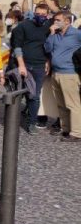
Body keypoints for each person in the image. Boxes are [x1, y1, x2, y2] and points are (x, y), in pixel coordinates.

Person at [11, 3, 51, 134]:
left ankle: (32, 122)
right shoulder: (24, 25)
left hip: (39, 66)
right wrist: (21, 64)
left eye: (43, 14)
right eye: (38, 14)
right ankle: (12, 119)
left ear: (47, 15)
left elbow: (50, 47)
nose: (40, 16)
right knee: (18, 94)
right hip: (24, 64)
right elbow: (17, 46)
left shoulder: (49, 26)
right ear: (34, 13)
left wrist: (48, 61)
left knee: (34, 95)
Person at [44, 11, 81, 142]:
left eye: (58, 20)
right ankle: (66, 129)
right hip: (56, 73)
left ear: (67, 21)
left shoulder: (77, 34)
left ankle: (77, 133)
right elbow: (48, 49)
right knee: (61, 104)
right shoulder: (55, 34)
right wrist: (51, 34)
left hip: (70, 73)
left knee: (73, 104)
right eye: (54, 20)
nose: (55, 22)